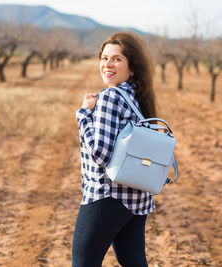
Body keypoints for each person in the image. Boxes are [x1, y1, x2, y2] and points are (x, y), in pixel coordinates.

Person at [73, 32, 157, 267]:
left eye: (117, 59)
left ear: (132, 68)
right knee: (133, 262)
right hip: (136, 197)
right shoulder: (134, 98)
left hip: (106, 195)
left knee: (83, 263)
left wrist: (83, 115)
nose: (107, 64)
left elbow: (101, 155)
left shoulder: (110, 97)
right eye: (104, 57)